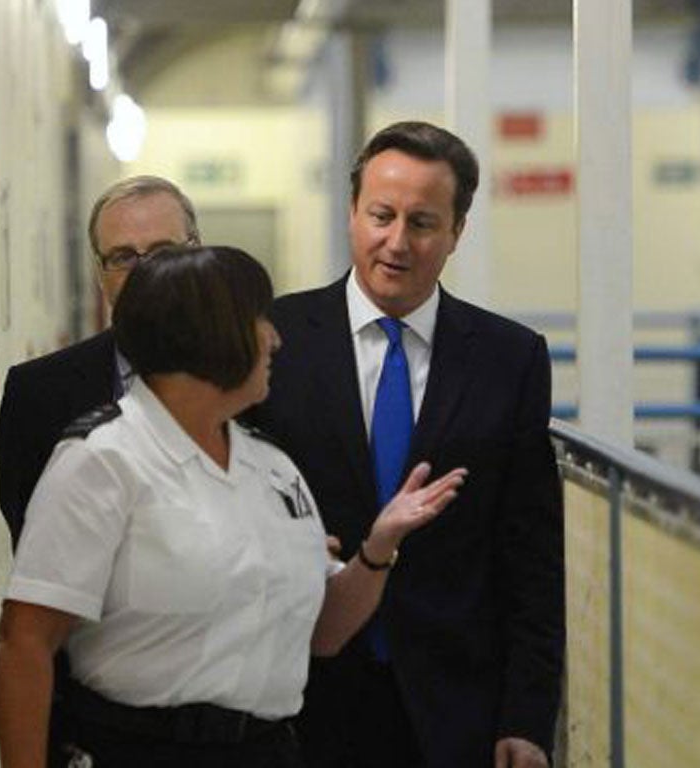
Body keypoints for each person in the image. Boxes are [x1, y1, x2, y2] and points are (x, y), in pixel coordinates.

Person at [0, 245, 468, 768]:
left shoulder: (270, 467)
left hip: (266, 749)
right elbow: (26, 643)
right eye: (257, 320)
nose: (275, 338)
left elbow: (324, 633)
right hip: (141, 748)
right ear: (208, 336)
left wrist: (379, 548)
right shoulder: (104, 461)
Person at [247, 121, 565, 768]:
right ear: (352, 214)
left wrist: (527, 716)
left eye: (422, 222)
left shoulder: (509, 360)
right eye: (381, 216)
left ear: (456, 232)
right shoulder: (275, 340)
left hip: (455, 708)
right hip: (298, 694)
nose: (397, 242)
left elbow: (530, 551)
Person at [0, 175, 201, 548]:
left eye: (162, 252)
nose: (143, 271)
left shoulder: (261, 381)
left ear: (198, 253)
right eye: (122, 257)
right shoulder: (38, 396)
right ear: (99, 273)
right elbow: (39, 555)